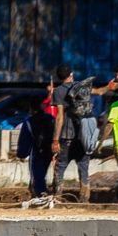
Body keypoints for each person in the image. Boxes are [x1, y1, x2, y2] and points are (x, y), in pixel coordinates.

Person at [49, 67, 91, 202]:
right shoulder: (82, 87)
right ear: (71, 75)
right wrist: (108, 86)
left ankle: (57, 197)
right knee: (83, 169)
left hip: (67, 136)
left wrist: (55, 140)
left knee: (60, 167)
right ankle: (84, 200)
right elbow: (99, 92)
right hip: (83, 137)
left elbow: (60, 117)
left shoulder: (58, 91)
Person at [20, 83, 57, 200]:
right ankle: (42, 192)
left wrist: (22, 153)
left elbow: (24, 140)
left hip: (36, 151)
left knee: (37, 174)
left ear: (31, 108)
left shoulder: (29, 122)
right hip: (48, 151)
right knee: (42, 173)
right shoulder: (50, 119)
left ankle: (41, 195)